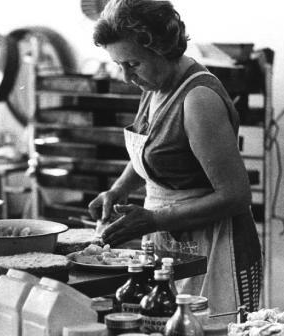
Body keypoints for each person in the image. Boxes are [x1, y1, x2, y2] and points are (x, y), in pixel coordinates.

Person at [88, 0, 262, 315]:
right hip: (173, 242)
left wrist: (154, 219)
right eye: (119, 64)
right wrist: (118, 189)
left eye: (133, 63)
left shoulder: (198, 100)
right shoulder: (154, 86)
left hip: (216, 247)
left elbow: (236, 196)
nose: (126, 76)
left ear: (163, 49)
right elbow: (154, 150)